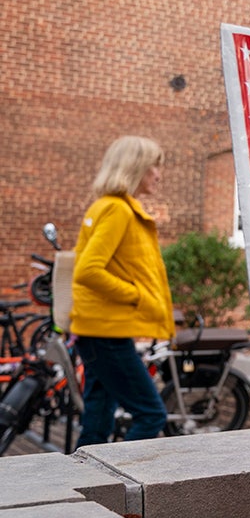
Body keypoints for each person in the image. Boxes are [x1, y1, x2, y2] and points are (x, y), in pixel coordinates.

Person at [71, 135, 175, 445]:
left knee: (98, 419)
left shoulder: (107, 206)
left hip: (99, 330)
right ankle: (118, 485)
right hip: (107, 335)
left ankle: (84, 486)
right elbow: (88, 271)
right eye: (154, 166)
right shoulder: (117, 210)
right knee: (151, 414)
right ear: (136, 167)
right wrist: (137, 296)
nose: (159, 173)